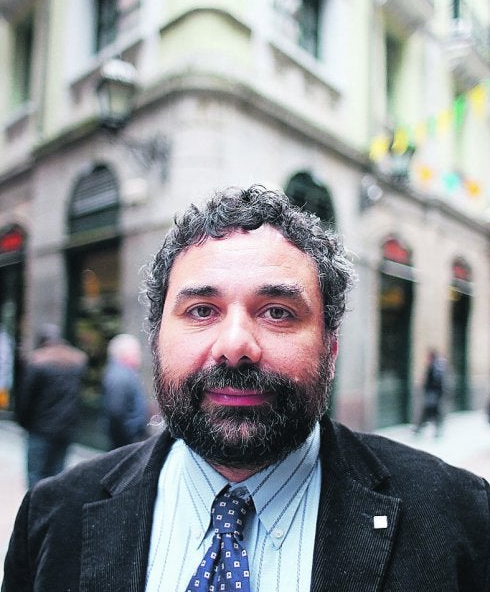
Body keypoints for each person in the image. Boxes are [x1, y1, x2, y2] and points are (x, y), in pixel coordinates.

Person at [3, 186, 489, 591]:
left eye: (278, 312)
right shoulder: (52, 517)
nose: (235, 346)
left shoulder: (461, 518)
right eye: (201, 311)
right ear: (156, 340)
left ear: (331, 347)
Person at [14, 323, 87, 489]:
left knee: (35, 475)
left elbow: (26, 398)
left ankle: (36, 506)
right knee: (57, 475)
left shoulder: (38, 364)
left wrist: (24, 422)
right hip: (65, 429)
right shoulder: (75, 364)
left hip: (40, 429)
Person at [102, 333, 148, 449]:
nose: (140, 356)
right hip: (125, 440)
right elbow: (116, 411)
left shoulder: (125, 372)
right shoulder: (119, 376)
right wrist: (131, 433)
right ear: (124, 354)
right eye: (136, 352)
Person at [415, 348, 446, 436]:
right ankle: (421, 428)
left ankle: (421, 429)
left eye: (428, 356)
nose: (426, 358)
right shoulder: (434, 366)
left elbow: (437, 382)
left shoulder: (436, 367)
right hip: (432, 393)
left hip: (433, 393)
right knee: (431, 412)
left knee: (431, 411)